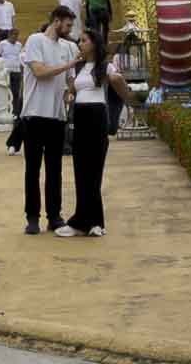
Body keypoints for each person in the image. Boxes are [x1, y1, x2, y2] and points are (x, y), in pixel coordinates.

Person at [56, 28, 134, 239]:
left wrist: (123, 88)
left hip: (96, 116)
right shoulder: (80, 67)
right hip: (80, 116)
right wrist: (69, 95)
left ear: (94, 44)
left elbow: (119, 84)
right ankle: (83, 222)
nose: (80, 44)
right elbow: (72, 90)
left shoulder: (105, 66)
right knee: (80, 170)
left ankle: (95, 222)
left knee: (94, 170)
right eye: (80, 40)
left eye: (84, 40)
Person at [19, 7, 77, 233]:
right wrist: (68, 66)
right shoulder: (35, 40)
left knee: (55, 169)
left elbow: (70, 83)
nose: (70, 30)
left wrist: (70, 92)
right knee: (32, 170)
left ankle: (54, 215)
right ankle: (32, 217)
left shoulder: (69, 47)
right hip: (33, 114)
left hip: (56, 116)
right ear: (56, 21)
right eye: (68, 25)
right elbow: (40, 72)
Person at [0, 32, 25, 151]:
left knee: (16, 93)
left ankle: (14, 111)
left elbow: (22, 59)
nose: (15, 38)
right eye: (13, 36)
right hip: (6, 71)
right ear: (9, 35)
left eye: (17, 36)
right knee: (8, 92)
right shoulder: (3, 43)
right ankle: (15, 115)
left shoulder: (19, 45)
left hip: (17, 71)